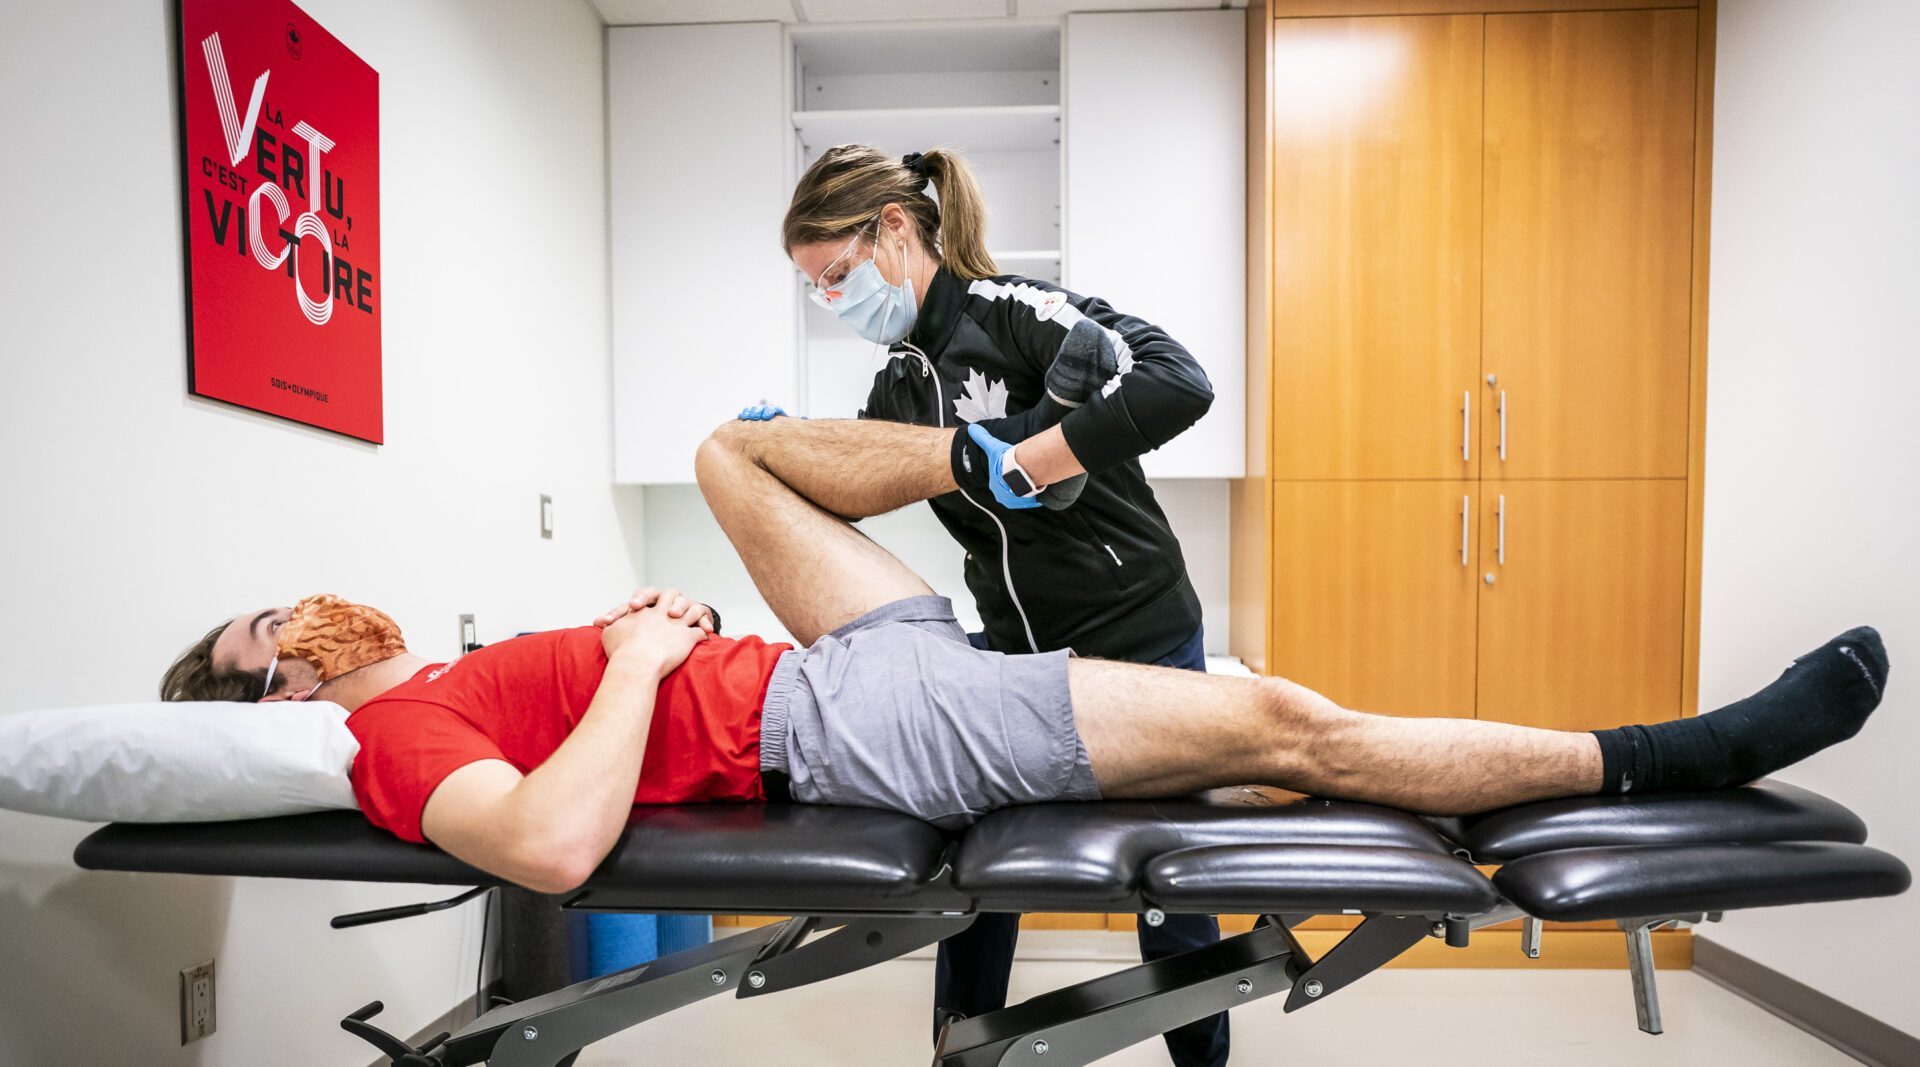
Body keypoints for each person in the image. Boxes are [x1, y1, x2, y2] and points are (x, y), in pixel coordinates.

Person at [160, 416, 1888, 943]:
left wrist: (644, 646)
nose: (293, 614)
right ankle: (1684, 747)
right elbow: (541, 846)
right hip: (848, 723)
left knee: (734, 460)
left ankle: (1013, 434)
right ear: (271, 708)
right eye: (262, 636)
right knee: (1286, 721)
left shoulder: (428, 675)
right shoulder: (385, 738)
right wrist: (631, 662)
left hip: (834, 664)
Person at [773, 142, 1230, 1062]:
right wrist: (780, 448)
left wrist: (1038, 457)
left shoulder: (1012, 310)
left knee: (1168, 886)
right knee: (973, 877)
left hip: (1141, 633)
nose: (831, 301)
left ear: (893, 229)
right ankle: (959, 1049)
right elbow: (856, 480)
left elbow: (1180, 381)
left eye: (834, 275)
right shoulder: (898, 381)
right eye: (814, 289)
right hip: (1019, 655)